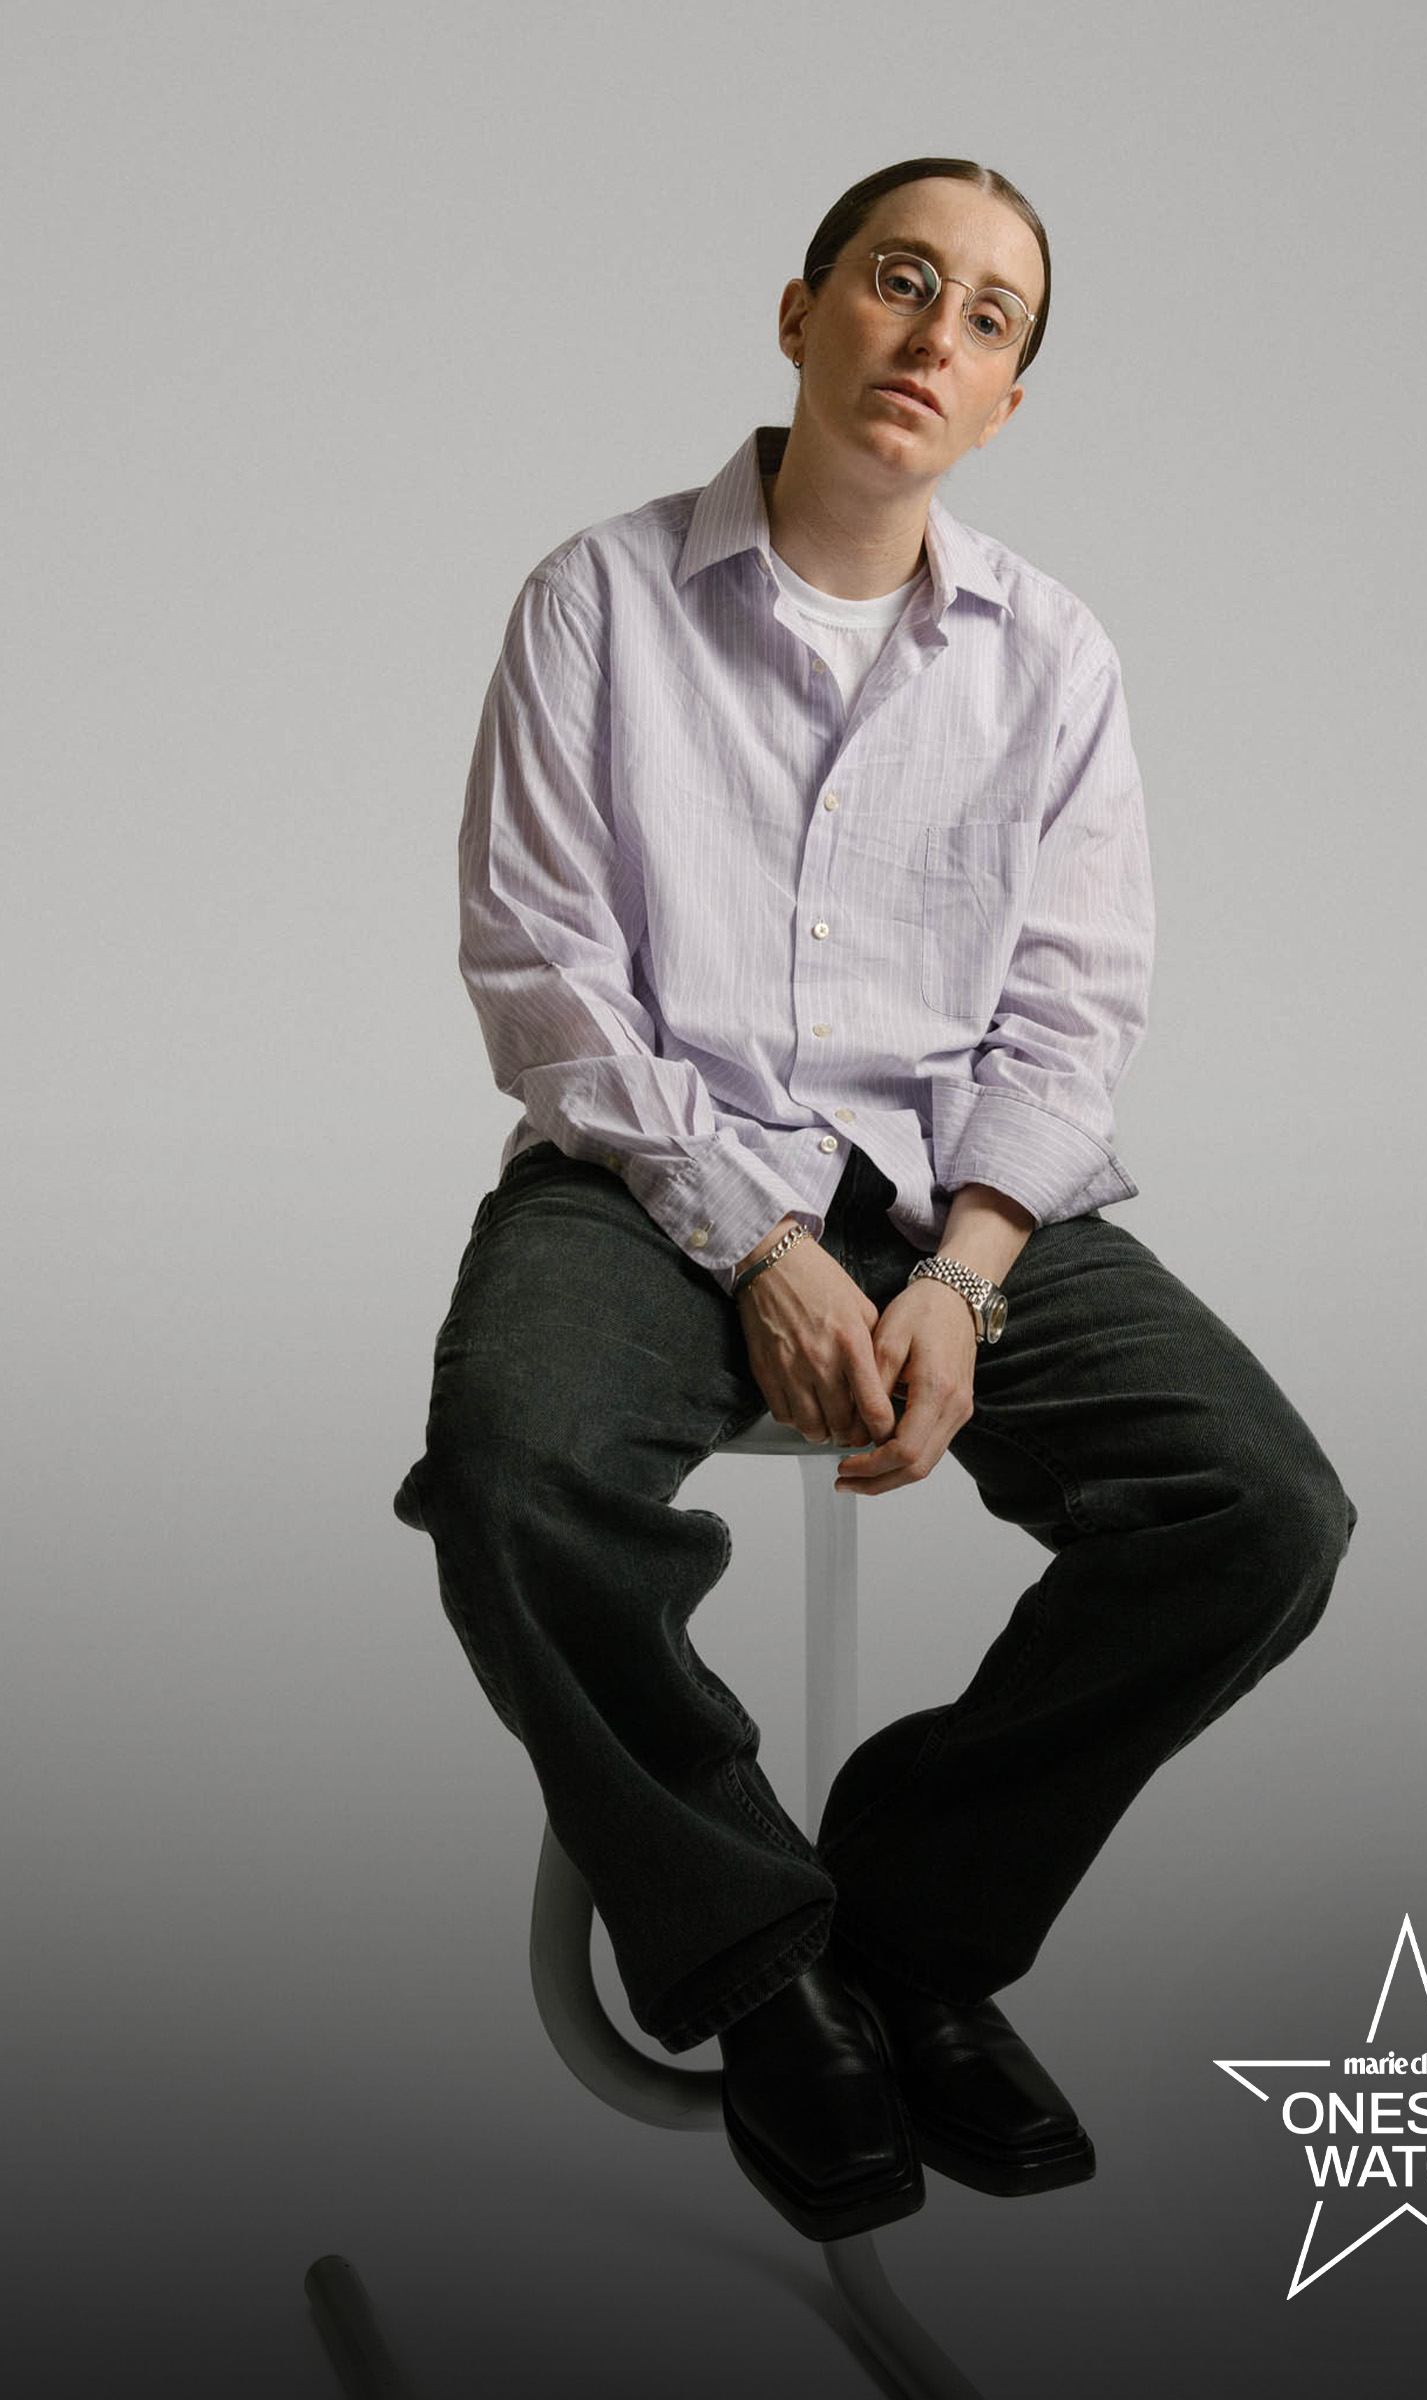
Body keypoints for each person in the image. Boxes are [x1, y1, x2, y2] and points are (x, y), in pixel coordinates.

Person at [395, 156, 1357, 2244]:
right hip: (650, 1171)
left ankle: (902, 1940)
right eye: (901, 280)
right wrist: (757, 1242)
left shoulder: (1053, 656)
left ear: (1007, 398)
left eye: (989, 317)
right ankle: (762, 1971)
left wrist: (972, 1277)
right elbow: (543, 972)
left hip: (955, 1194)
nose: (936, 333)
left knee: (1261, 1514)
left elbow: (1071, 1012)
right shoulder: (598, 598)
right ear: (802, 311)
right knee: (510, 1473)